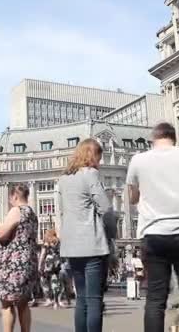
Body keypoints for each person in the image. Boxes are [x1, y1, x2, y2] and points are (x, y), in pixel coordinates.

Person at [126, 122, 179, 332]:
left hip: (154, 235)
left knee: (155, 298)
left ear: (153, 139)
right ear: (174, 138)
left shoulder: (138, 160)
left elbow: (132, 197)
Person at [58, 138, 115, 332]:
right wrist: (111, 233)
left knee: (81, 298)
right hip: (92, 244)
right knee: (94, 300)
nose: (100, 161)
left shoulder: (64, 178)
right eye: (99, 156)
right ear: (93, 155)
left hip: (71, 246)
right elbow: (105, 208)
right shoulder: (90, 174)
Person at [0, 184, 38, 332]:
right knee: (23, 303)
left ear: (15, 196)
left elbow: (2, 234)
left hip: (13, 264)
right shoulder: (31, 213)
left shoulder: (16, 211)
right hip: (28, 261)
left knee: (7, 303)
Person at [38, 229, 64, 309]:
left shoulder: (47, 242)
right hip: (57, 262)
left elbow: (43, 254)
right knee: (55, 280)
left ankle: (48, 299)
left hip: (48, 263)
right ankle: (57, 300)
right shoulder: (58, 242)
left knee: (44, 280)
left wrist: (40, 265)